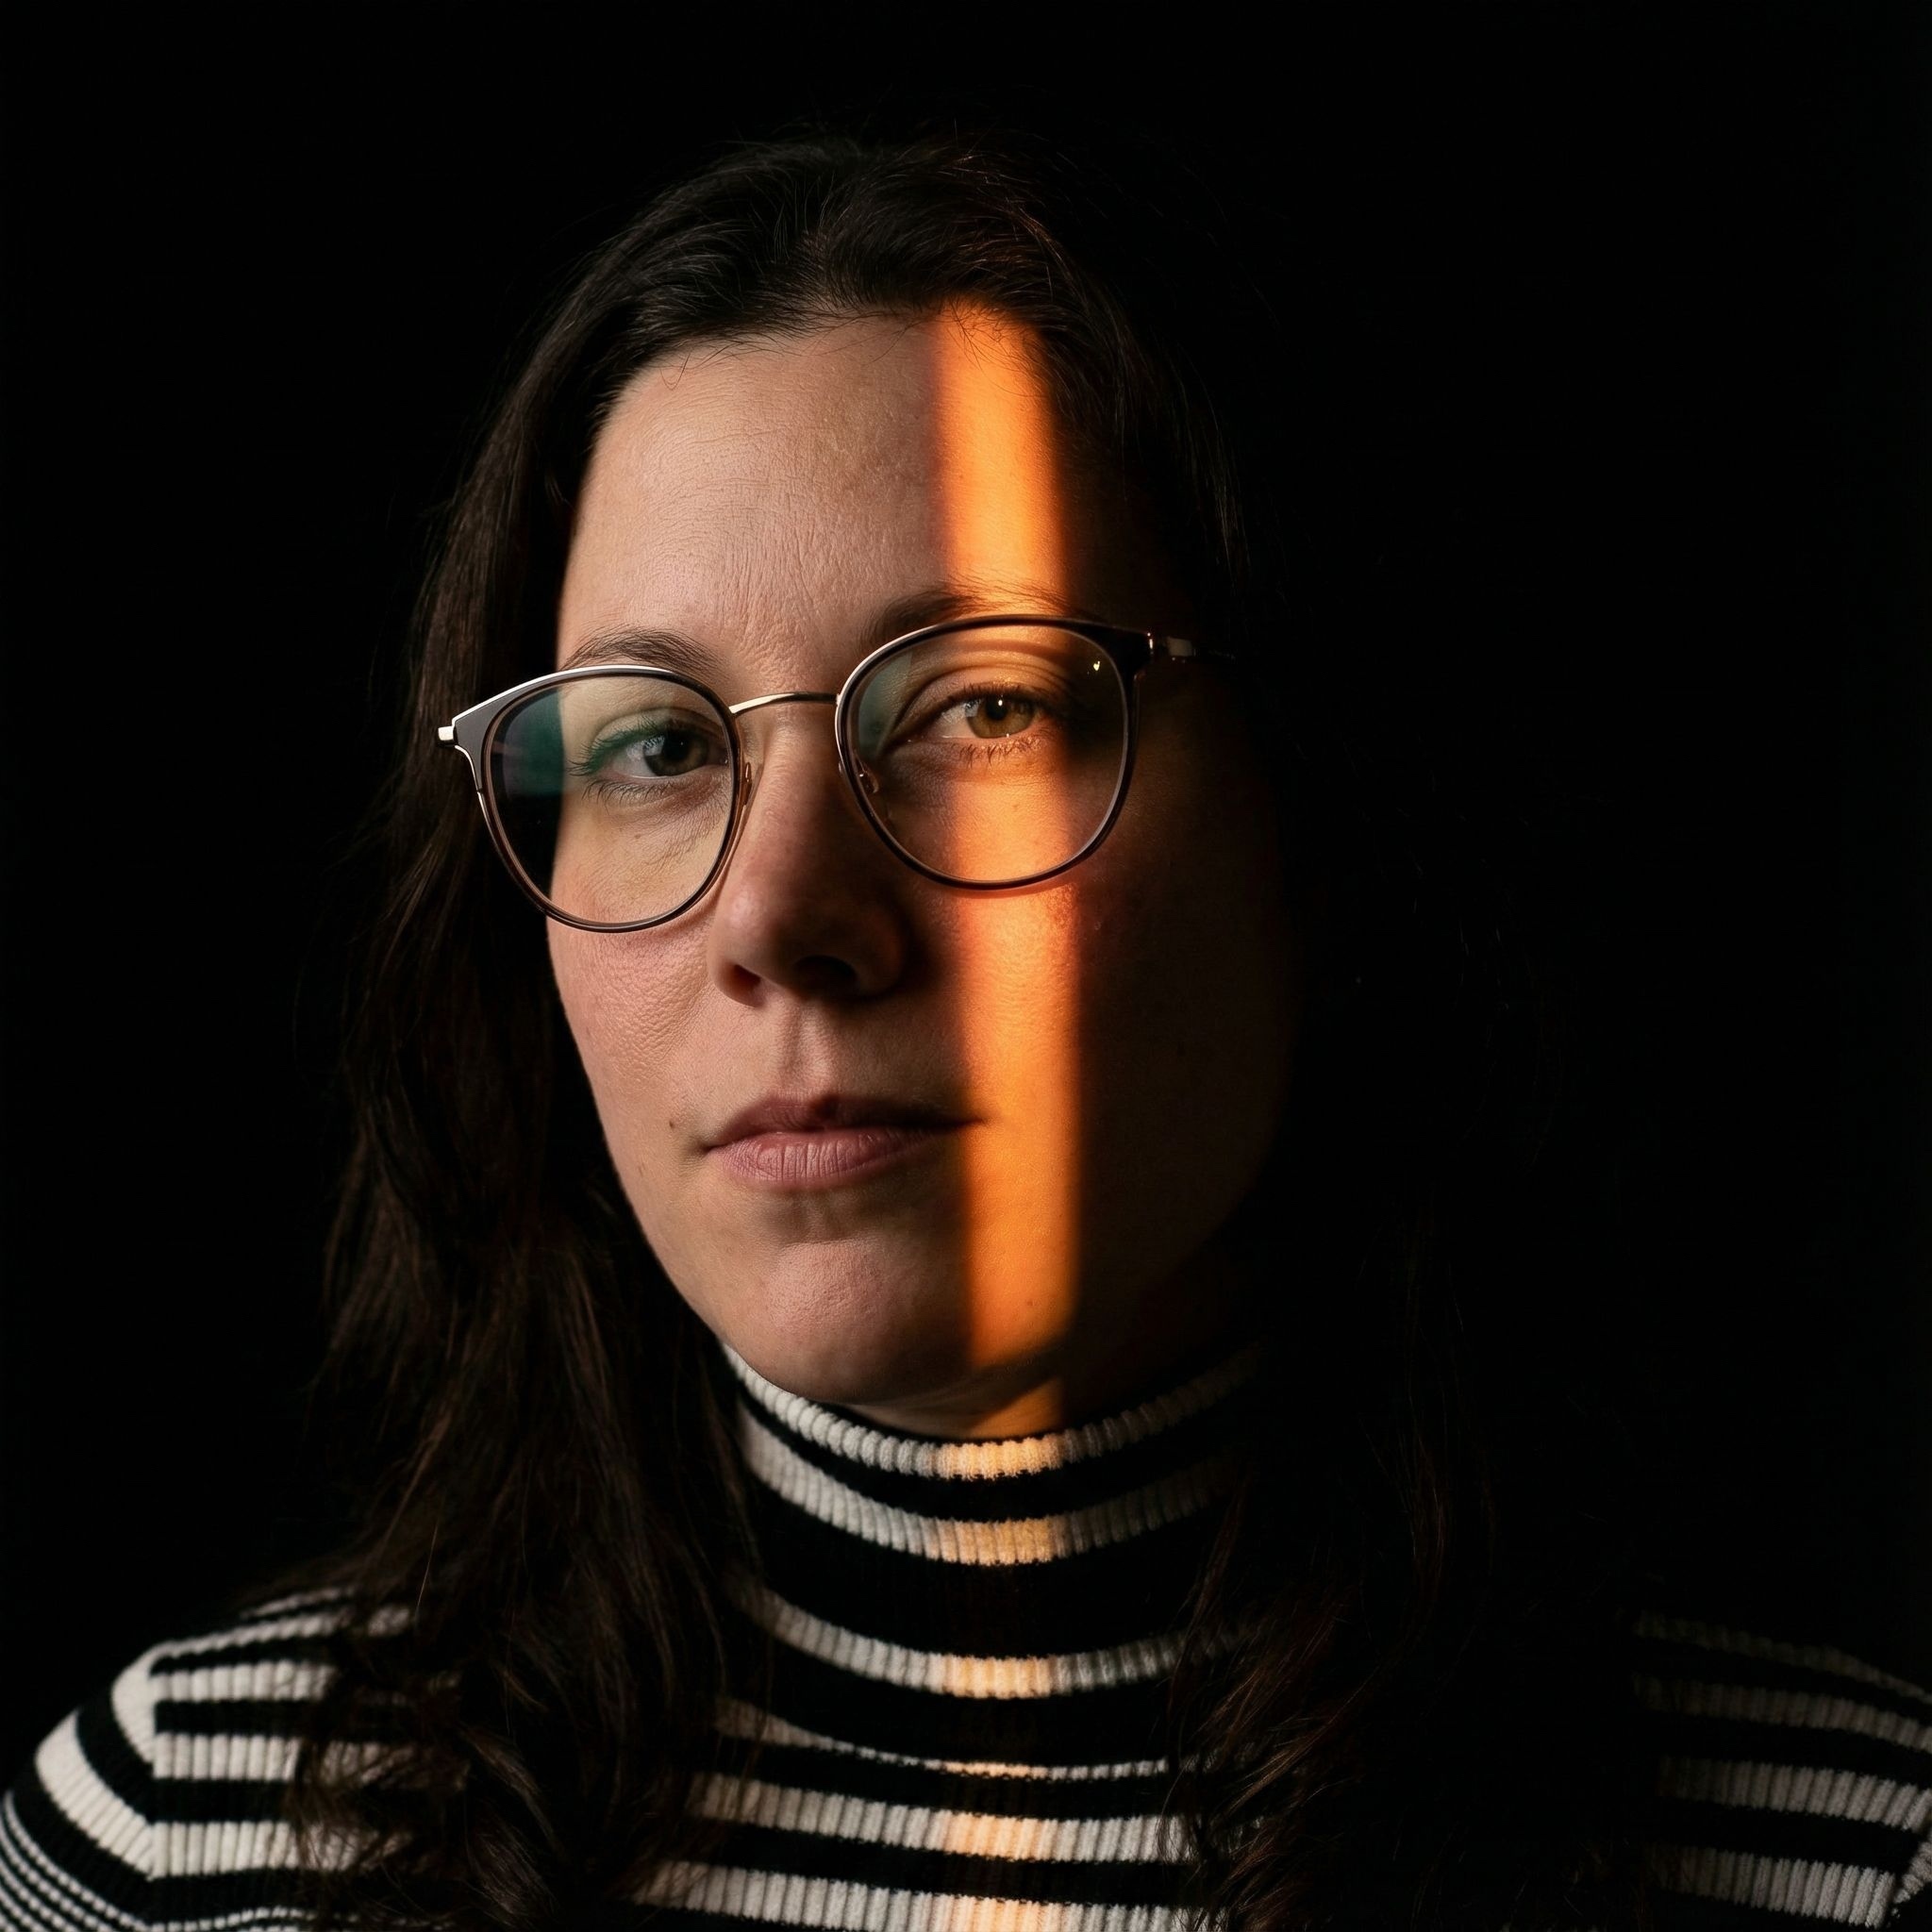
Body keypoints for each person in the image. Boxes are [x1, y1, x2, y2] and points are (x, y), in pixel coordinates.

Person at [5, 125, 1929, 1932]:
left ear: (1321, 814)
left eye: (985, 707)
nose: (777, 918)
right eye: (654, 745)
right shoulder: (189, 1844)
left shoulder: (1853, 1871)